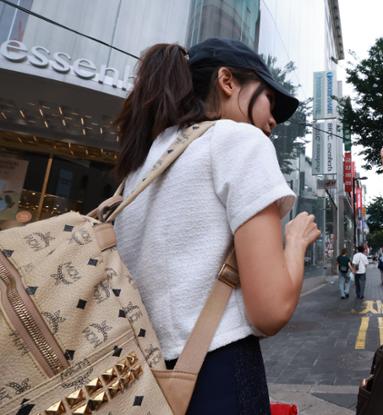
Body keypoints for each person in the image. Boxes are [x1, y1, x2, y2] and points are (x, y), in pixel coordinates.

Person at [113, 38, 320, 414]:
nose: (273, 119)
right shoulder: (240, 140)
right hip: (218, 375)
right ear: (228, 81)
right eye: (269, 101)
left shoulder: (140, 167)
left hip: (143, 382)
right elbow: (270, 310)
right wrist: (295, 242)